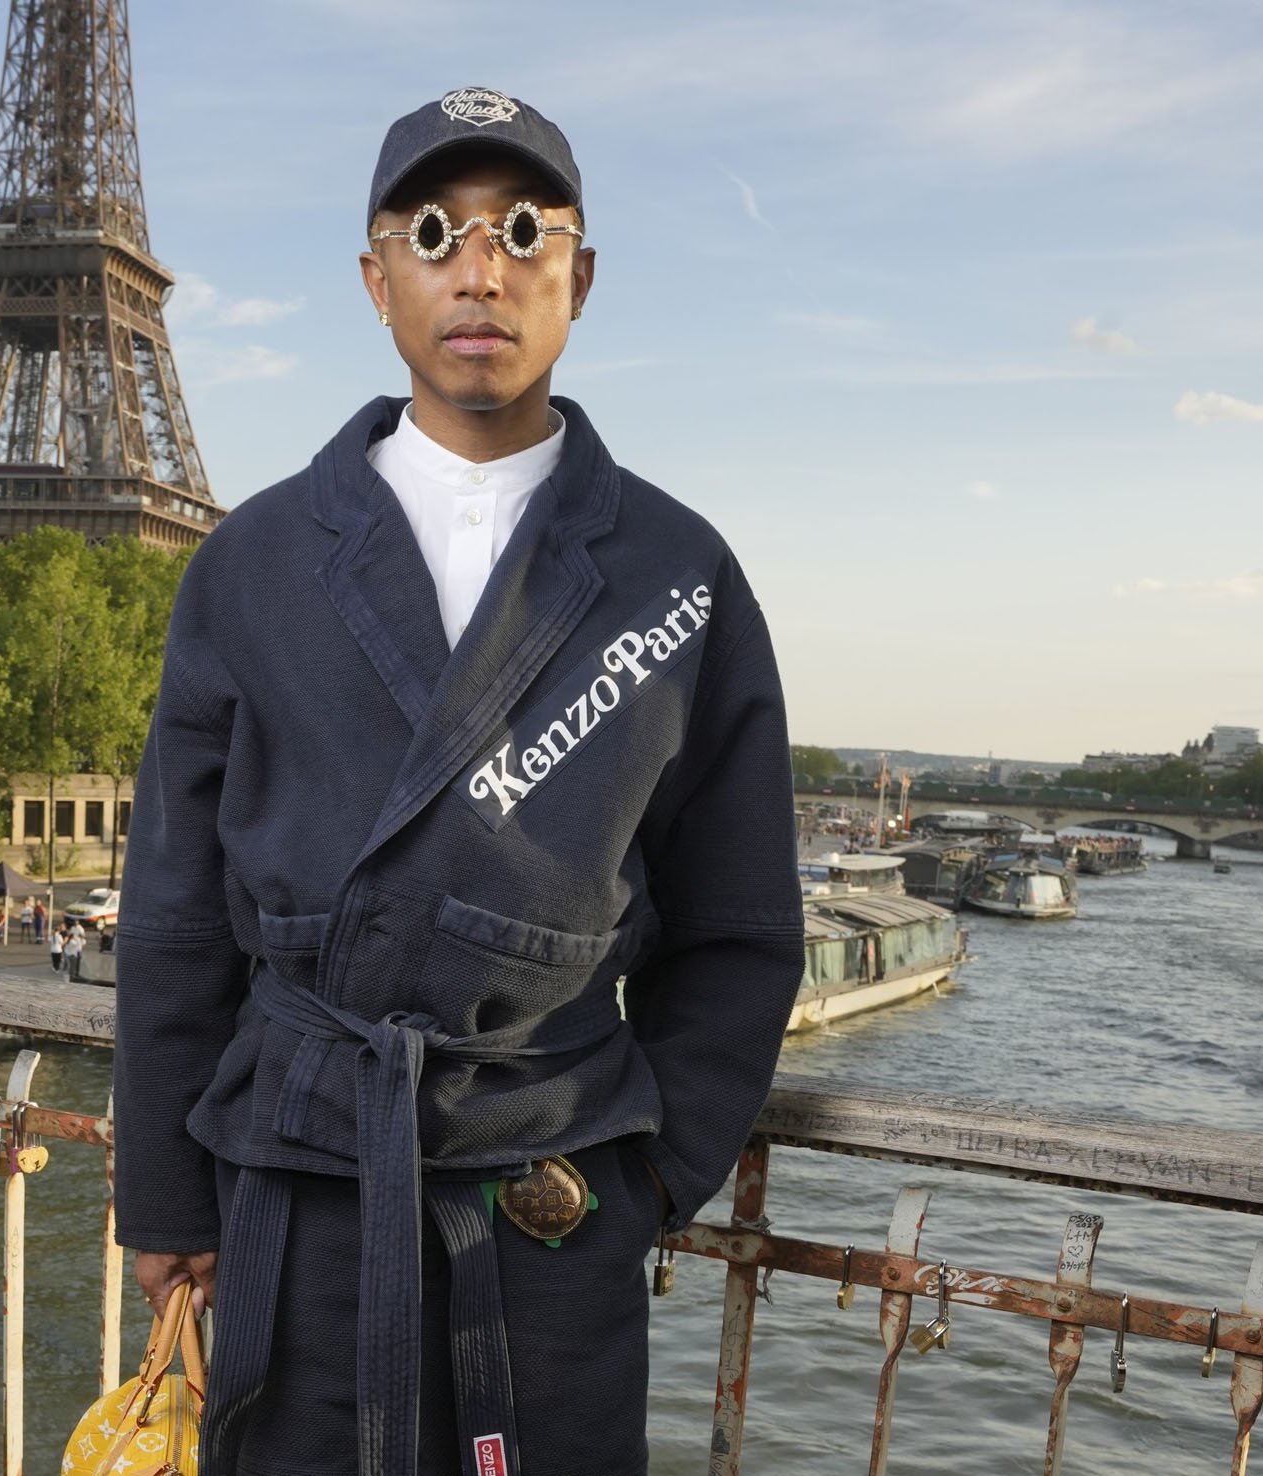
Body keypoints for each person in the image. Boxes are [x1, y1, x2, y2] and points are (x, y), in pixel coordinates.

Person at [114, 87, 803, 1476]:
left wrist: (648, 1174)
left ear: (579, 276)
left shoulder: (684, 579)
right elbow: (176, 906)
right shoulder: (246, 564)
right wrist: (163, 1191)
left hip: (549, 1204)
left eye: (524, 231)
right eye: (438, 234)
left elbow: (740, 927)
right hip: (296, 1192)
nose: (480, 268)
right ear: (378, 280)